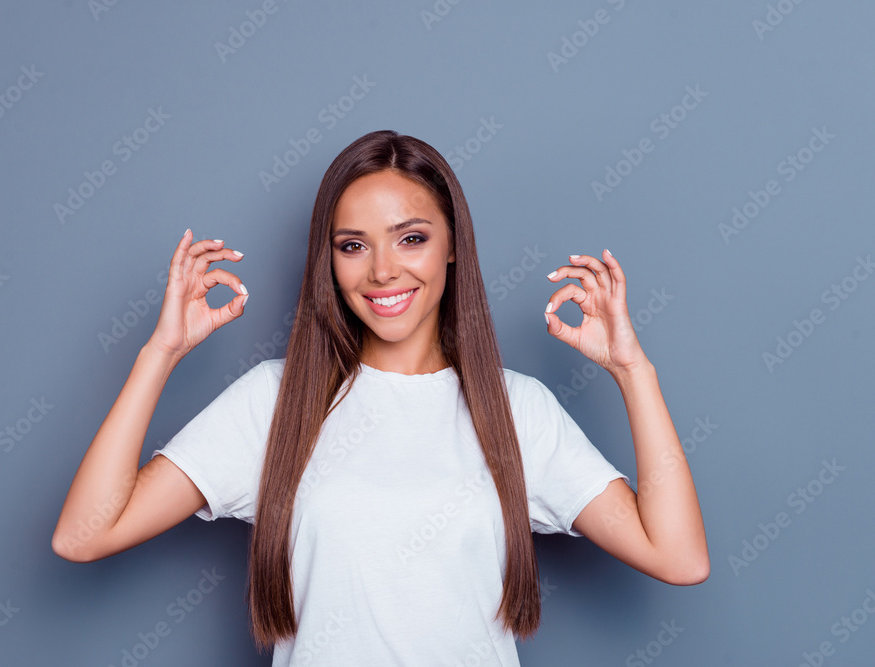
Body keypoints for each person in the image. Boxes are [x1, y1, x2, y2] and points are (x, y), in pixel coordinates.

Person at [52, 130, 709, 665]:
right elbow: (84, 535)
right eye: (352, 246)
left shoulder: (517, 410)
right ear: (329, 262)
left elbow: (678, 555)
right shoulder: (275, 403)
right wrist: (158, 353)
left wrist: (632, 369)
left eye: (412, 237)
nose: (384, 270)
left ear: (452, 247)